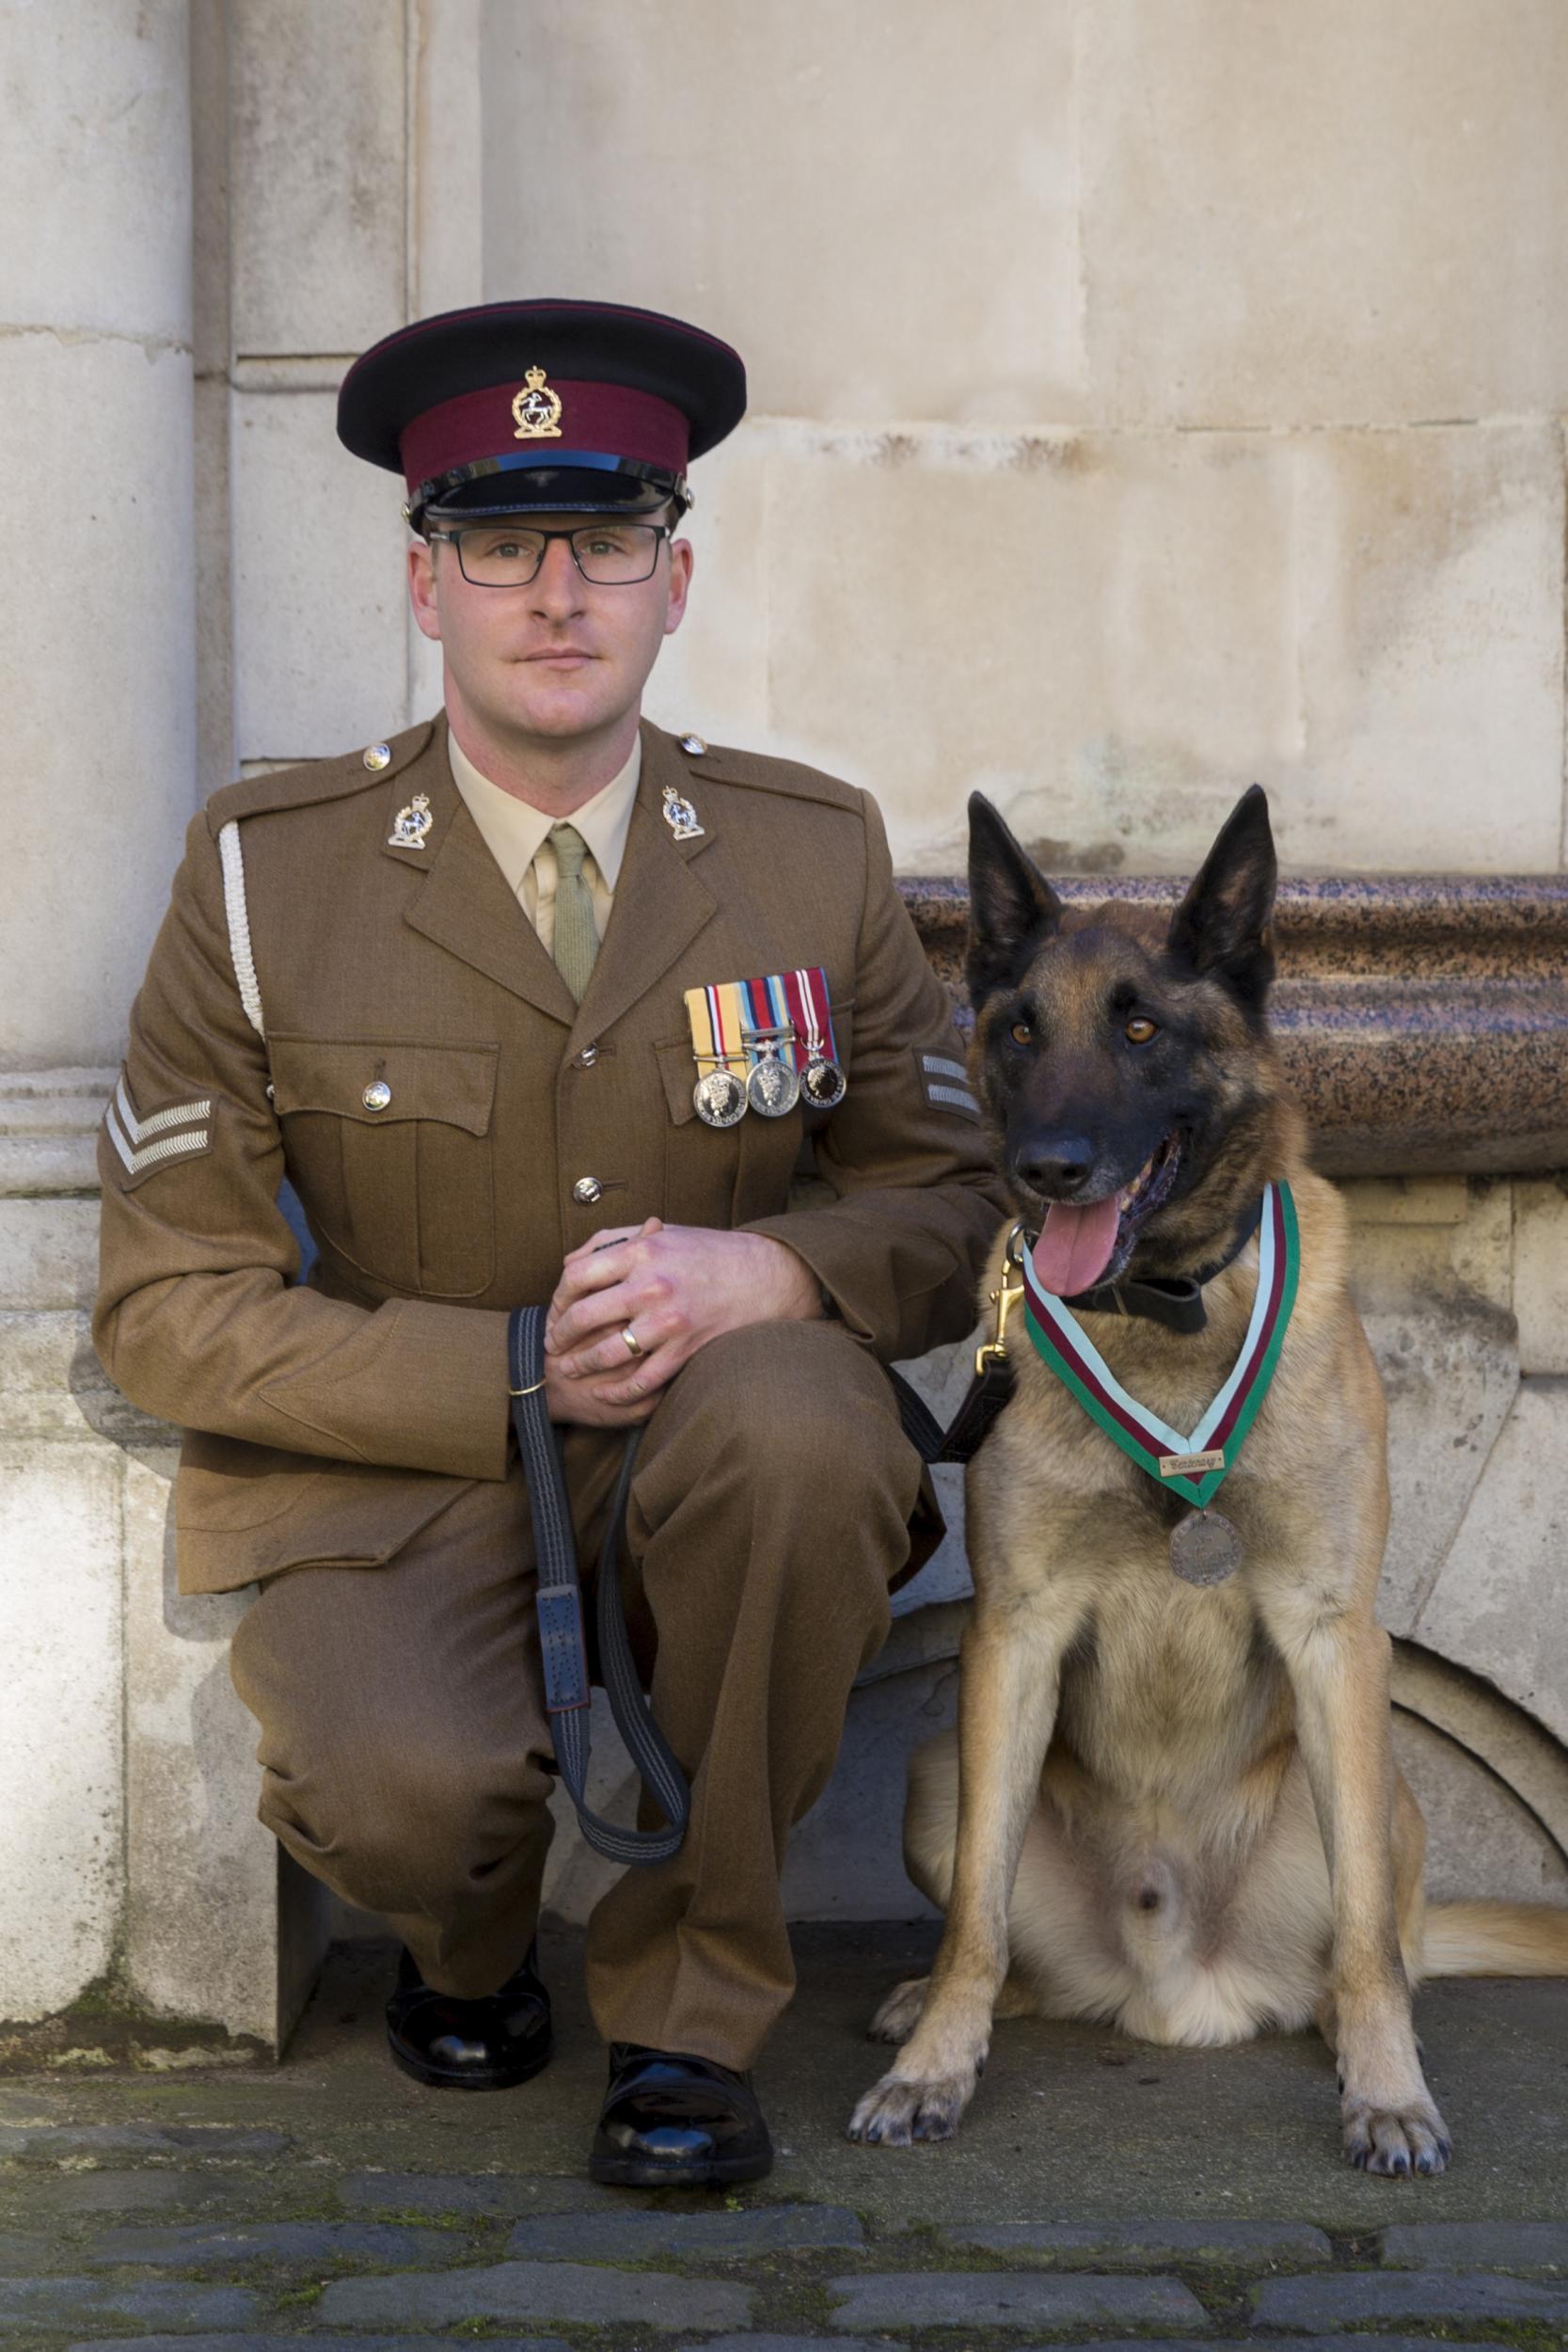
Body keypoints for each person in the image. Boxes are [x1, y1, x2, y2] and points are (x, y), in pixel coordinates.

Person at [94, 298, 1006, 2186]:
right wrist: (507, 1366)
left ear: (679, 576)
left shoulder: (807, 851)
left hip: (721, 1438)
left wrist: (779, 1274)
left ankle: (687, 2019)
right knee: (396, 1791)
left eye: (607, 539)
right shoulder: (273, 871)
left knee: (805, 1431)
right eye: (501, 541)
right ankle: (472, 1938)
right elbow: (168, 1306)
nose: (558, 589)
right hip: (409, 1460)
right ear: (426, 585)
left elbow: (951, 1196)